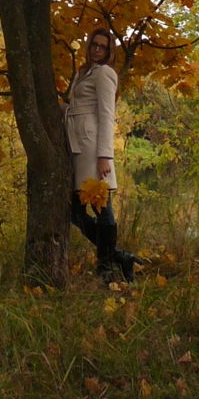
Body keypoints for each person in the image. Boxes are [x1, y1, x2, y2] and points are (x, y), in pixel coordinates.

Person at [64, 26, 141, 282]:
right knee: (75, 212)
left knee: (101, 206)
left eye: (103, 47)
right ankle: (119, 257)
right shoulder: (84, 72)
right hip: (77, 147)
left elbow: (108, 115)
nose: (97, 49)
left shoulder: (105, 73)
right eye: (94, 44)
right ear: (88, 46)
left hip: (92, 148)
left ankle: (106, 268)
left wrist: (105, 156)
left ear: (109, 52)